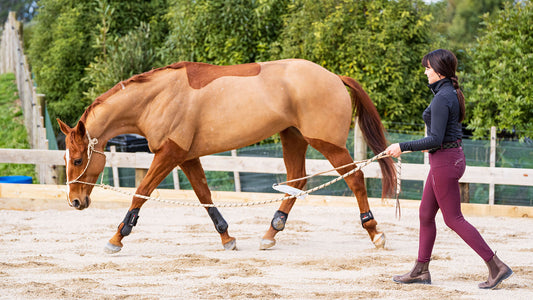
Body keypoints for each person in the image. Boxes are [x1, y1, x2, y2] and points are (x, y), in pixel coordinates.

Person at [384, 49, 513, 289]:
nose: (425, 71)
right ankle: (421, 270)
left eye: (428, 67)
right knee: (425, 214)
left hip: (445, 161)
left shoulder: (443, 97)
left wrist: (402, 146)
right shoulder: (445, 93)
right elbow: (439, 138)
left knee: (453, 219)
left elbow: (435, 139)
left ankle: (496, 266)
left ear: (439, 71)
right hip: (444, 159)